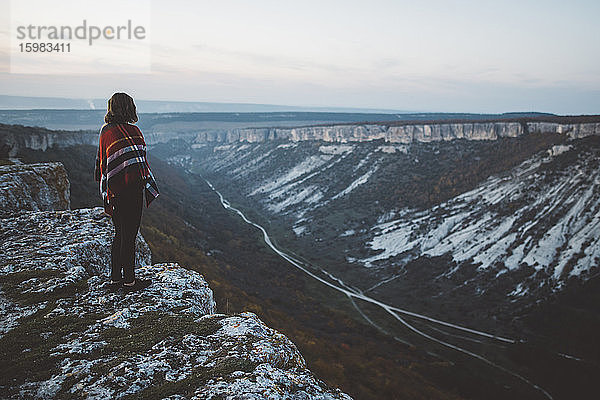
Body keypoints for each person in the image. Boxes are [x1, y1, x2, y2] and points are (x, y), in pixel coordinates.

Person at [94, 92, 159, 290]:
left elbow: (104, 163)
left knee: (119, 234)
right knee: (129, 236)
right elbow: (139, 162)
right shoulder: (135, 131)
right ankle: (130, 281)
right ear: (130, 108)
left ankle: (115, 279)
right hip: (132, 191)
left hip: (115, 191)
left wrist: (109, 184)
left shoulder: (106, 131)